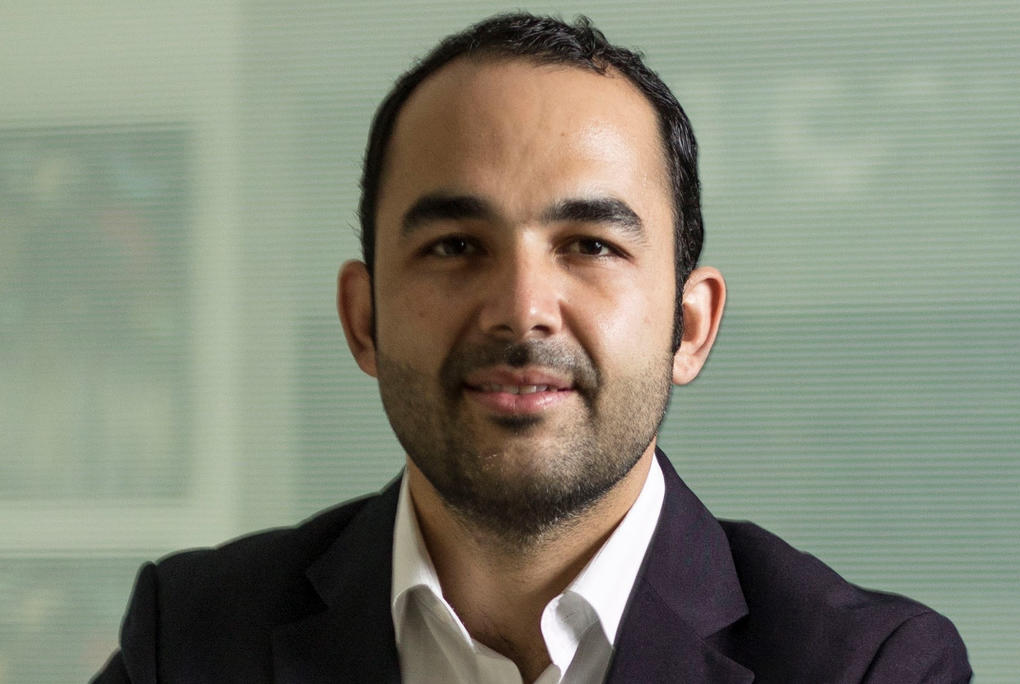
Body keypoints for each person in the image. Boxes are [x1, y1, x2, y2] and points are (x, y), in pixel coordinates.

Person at [92, 13, 971, 683]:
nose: (521, 312)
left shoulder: (869, 668)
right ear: (363, 319)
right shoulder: (191, 640)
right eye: (454, 246)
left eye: (590, 244)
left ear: (690, 327)